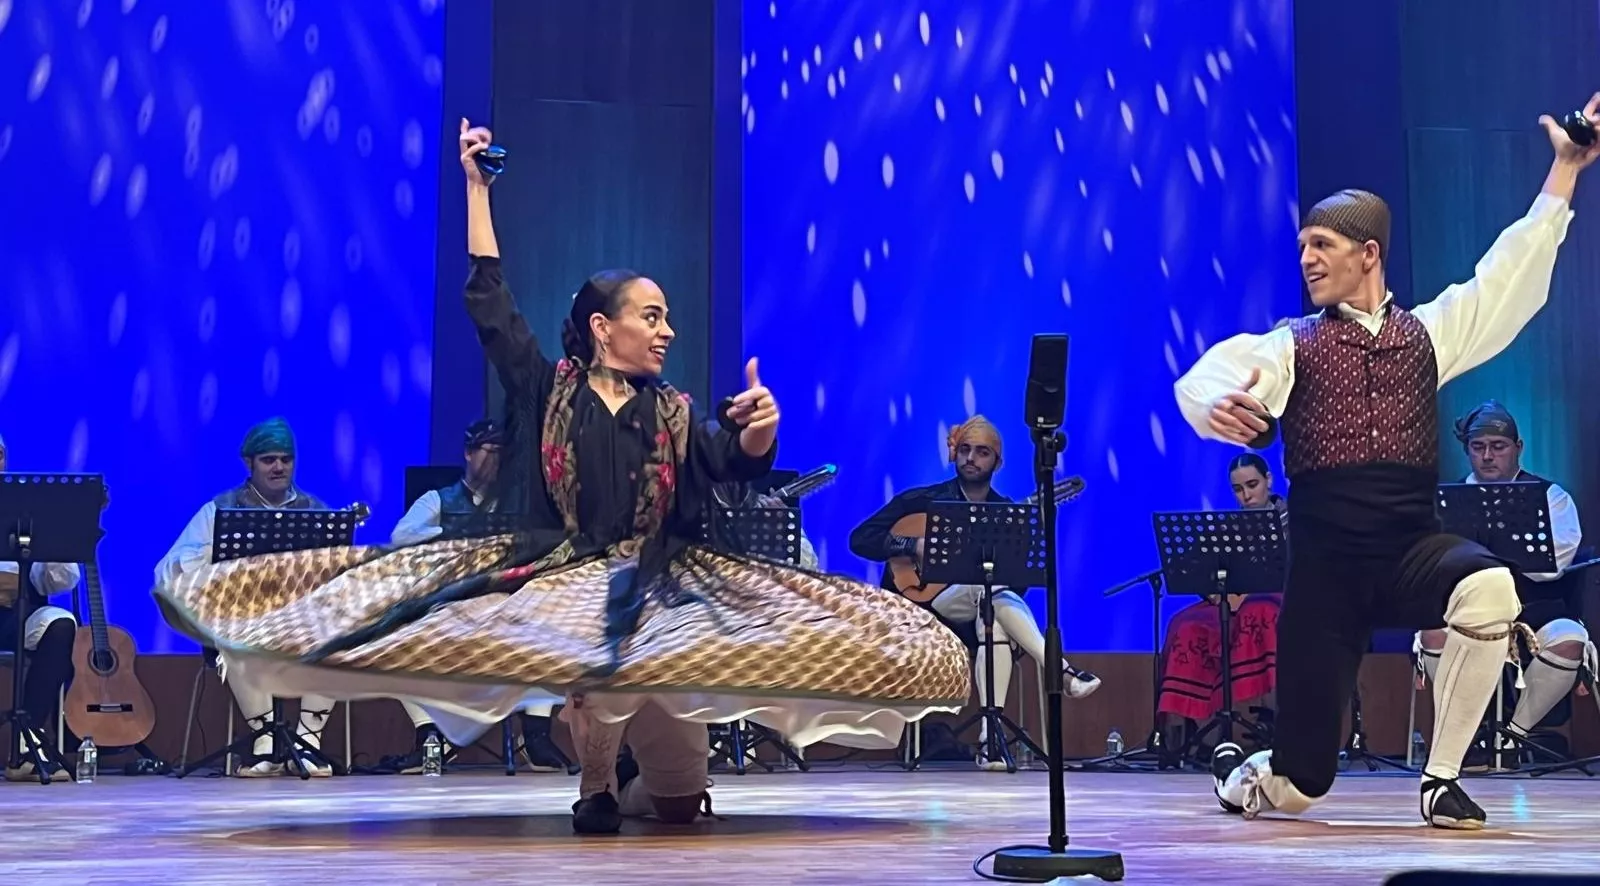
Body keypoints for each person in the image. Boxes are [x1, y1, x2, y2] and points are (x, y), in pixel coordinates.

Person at [152, 119, 967, 833]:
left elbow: (730, 467)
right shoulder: (548, 391)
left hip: (662, 586)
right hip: (570, 575)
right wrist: (477, 189)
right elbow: (490, 305)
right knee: (586, 661)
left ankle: (638, 775)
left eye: (669, 317)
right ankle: (594, 784)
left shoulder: (674, 411)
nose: (666, 330)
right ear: (602, 327)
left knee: (681, 806)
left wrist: (763, 434)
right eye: (651, 316)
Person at [1179, 97, 1597, 830]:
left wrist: (1565, 169)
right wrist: (1214, 406)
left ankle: (1442, 778)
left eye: (1321, 245)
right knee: (1302, 786)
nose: (1306, 258)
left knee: (1491, 586)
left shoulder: (1430, 334)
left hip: (1409, 548)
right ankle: (1245, 777)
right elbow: (1214, 373)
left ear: (1368, 253)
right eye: (1302, 246)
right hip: (1326, 574)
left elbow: (1512, 272)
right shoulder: (1293, 344)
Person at [848, 416, 1099, 769]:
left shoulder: (1008, 512)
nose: (971, 458)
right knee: (994, 599)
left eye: (982, 452)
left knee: (994, 612)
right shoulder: (921, 501)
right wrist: (913, 544)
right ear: (954, 455)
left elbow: (1017, 584)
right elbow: (859, 539)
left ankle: (989, 741)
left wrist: (1018, 539)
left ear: (997, 461)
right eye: (965, 450)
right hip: (923, 616)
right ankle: (1061, 670)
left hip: (975, 617)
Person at [154, 417, 341, 777]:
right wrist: (217, 556)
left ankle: (307, 743)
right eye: (269, 459)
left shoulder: (315, 510)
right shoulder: (219, 510)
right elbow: (166, 572)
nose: (279, 467)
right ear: (249, 464)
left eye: (285, 459)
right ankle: (264, 743)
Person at [387, 418, 569, 773]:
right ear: (469, 454)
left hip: (507, 602)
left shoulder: (522, 503)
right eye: (490, 452)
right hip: (454, 603)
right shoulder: (439, 500)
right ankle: (429, 735)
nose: (497, 460)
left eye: (504, 454)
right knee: (398, 638)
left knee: (557, 626)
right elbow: (400, 537)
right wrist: (452, 530)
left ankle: (536, 733)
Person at [1414, 401, 1589, 761]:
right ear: (1467, 452)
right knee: (1431, 631)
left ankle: (1511, 737)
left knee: (1570, 639)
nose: (1488, 456)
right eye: (1478, 448)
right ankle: (1468, 734)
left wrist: (1495, 548)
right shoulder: (1446, 502)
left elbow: (1553, 564)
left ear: (1518, 448)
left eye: (1498, 446)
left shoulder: (1551, 498)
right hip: (1466, 612)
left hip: (1534, 610)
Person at [1156, 454, 1284, 733]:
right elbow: (1195, 570)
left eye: (1253, 485)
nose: (1247, 495)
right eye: (1239, 490)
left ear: (1269, 480)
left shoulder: (1293, 522)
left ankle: (1274, 716)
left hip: (1282, 601)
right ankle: (1187, 730)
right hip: (1232, 601)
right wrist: (1218, 596)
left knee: (1258, 612)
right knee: (1184, 624)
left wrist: (1246, 596)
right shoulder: (1229, 528)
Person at [0, 432, 82, 782]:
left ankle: (25, 744)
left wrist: (54, 537)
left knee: (61, 622)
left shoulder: (26, 507)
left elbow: (61, 581)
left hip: (16, 613)